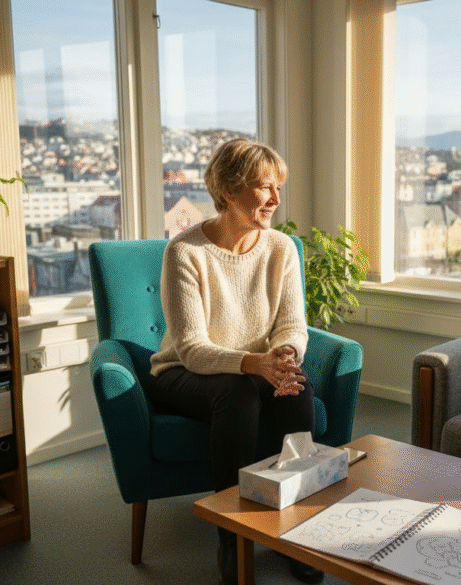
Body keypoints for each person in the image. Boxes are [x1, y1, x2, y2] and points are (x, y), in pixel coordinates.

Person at [147, 138, 323, 585]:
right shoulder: (185, 252)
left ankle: (298, 528)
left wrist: (284, 357)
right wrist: (257, 364)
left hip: (255, 367)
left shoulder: (281, 248)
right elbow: (191, 349)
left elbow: (293, 325)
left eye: (278, 187)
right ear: (229, 190)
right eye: (265, 187)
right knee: (238, 391)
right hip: (184, 374)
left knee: (297, 385)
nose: (276, 200)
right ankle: (233, 537)